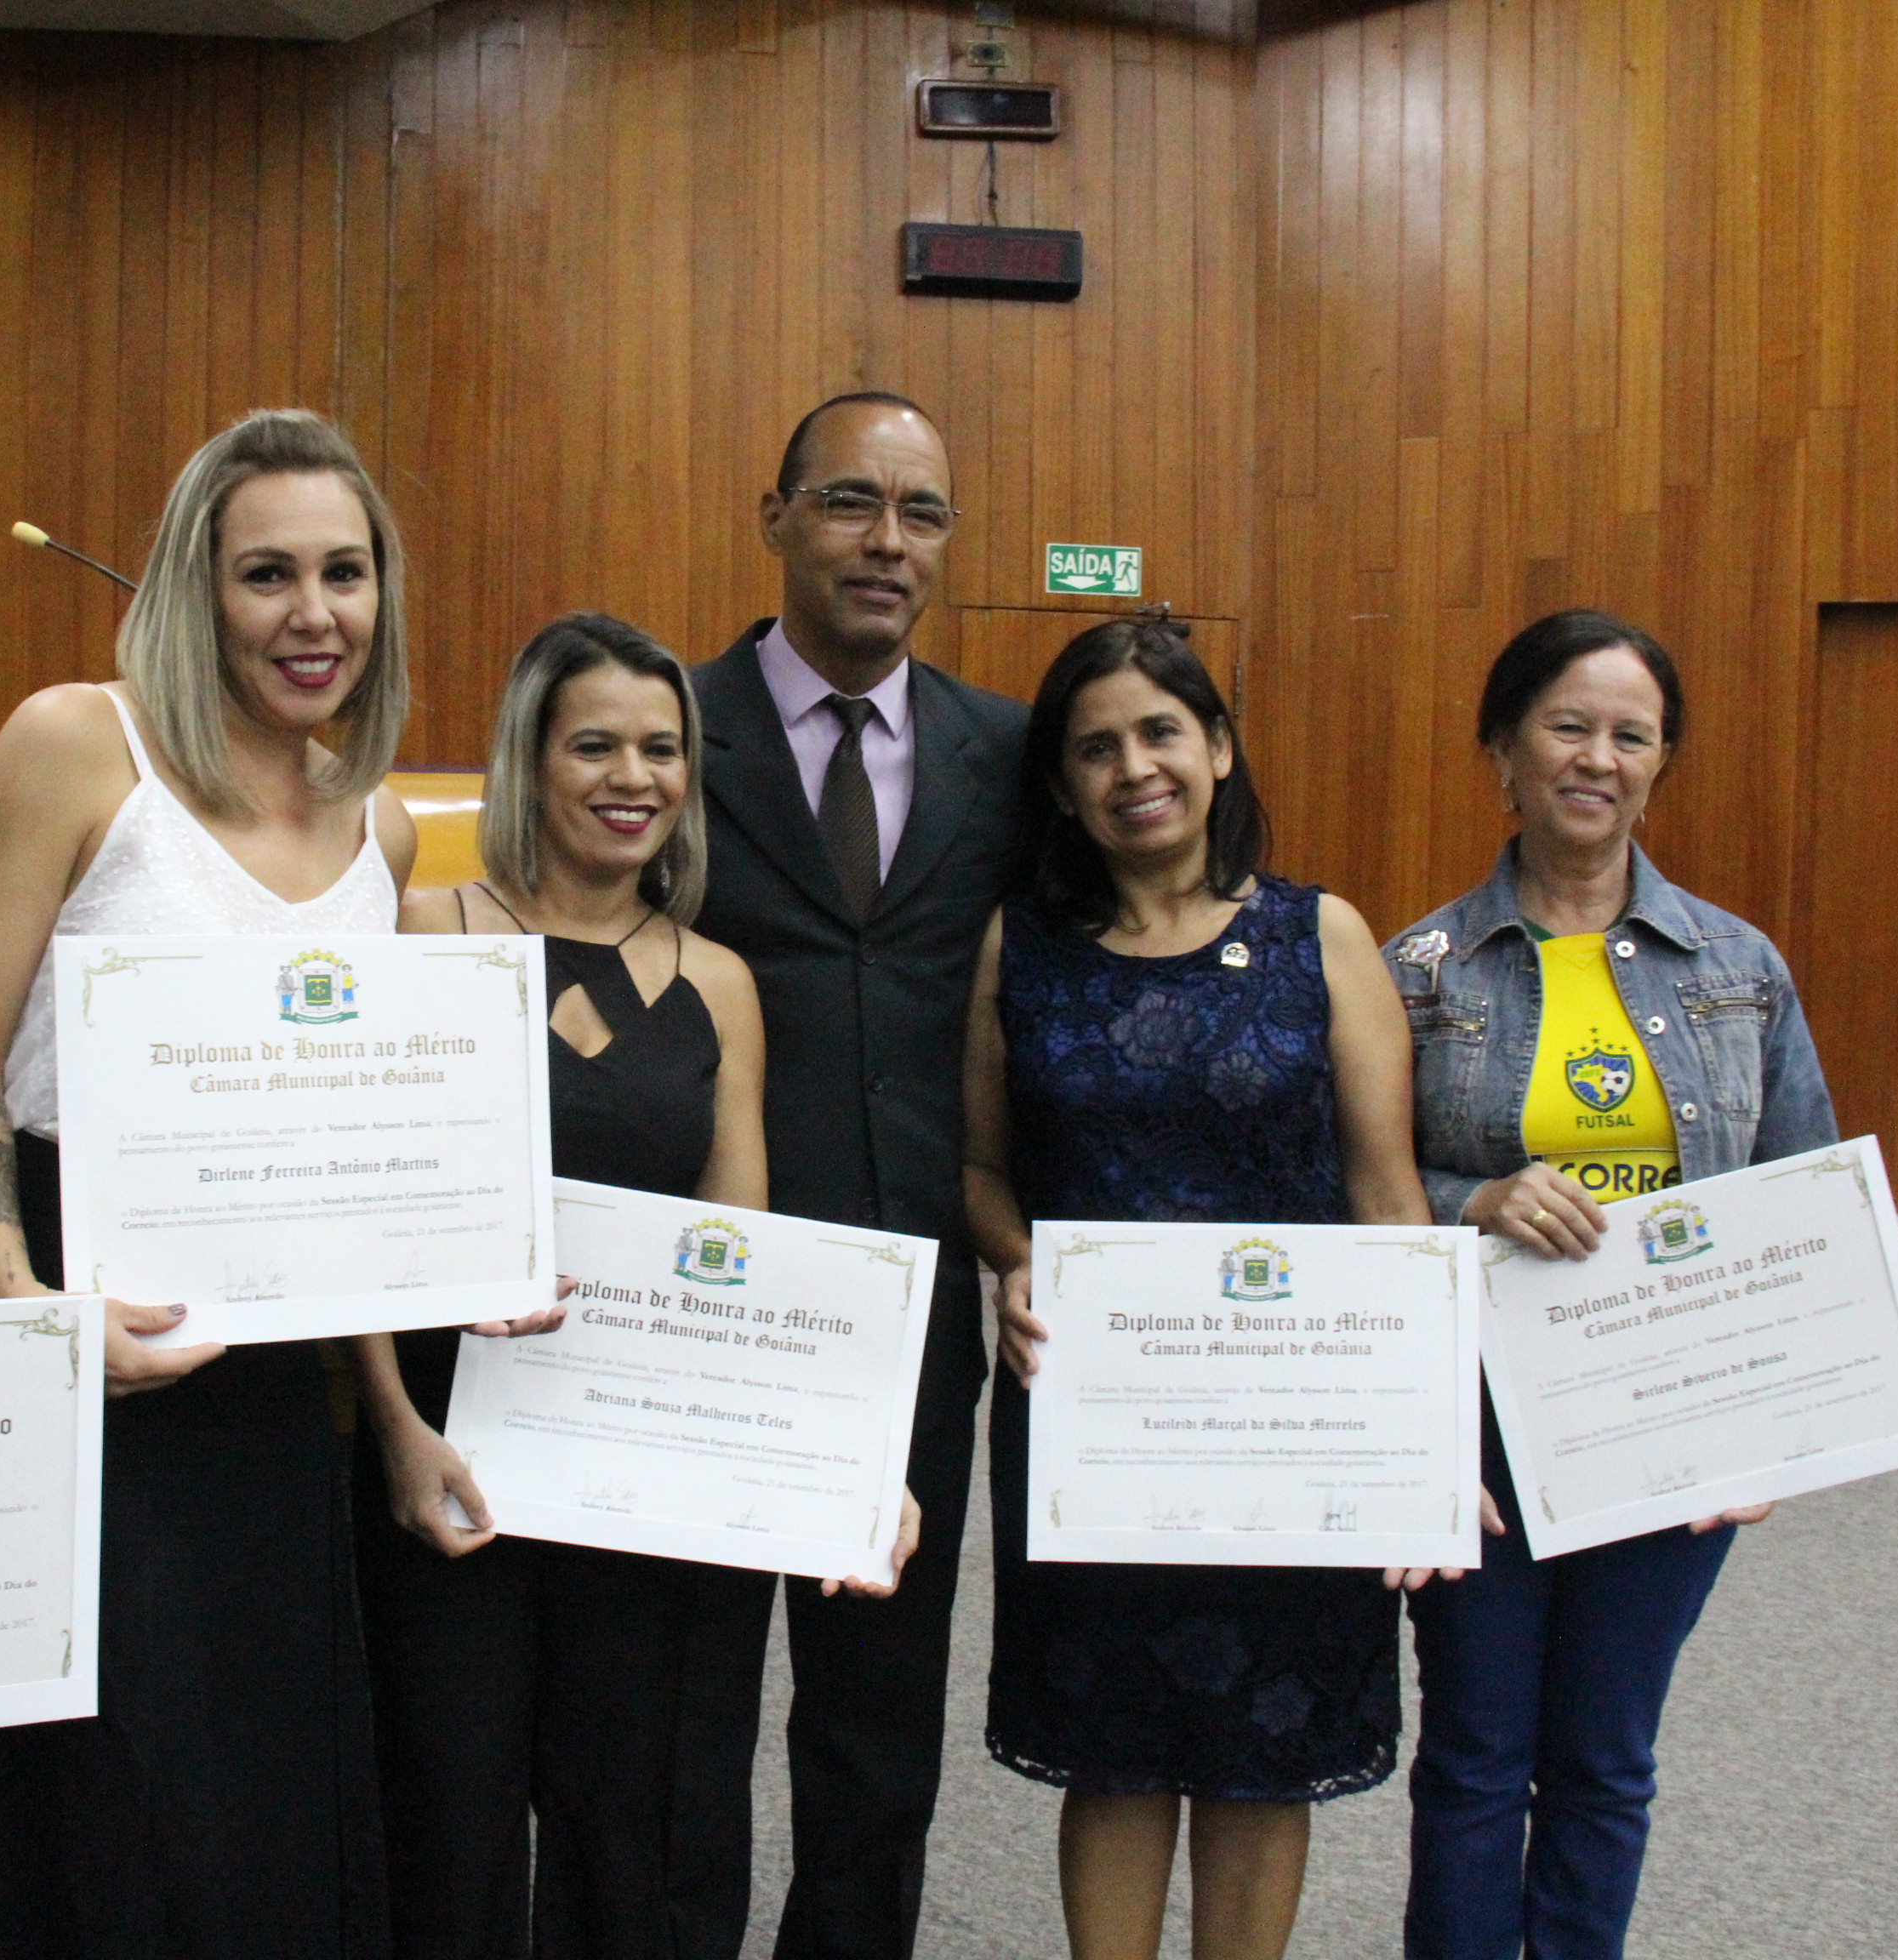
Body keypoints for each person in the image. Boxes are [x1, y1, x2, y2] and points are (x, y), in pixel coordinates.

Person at [0, 408, 418, 1960]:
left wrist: (398, 1400)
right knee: (81, 1797)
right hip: (64, 1310)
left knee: (248, 1792)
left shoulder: (380, 823)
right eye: (267, 574)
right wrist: (32, 1317)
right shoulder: (77, 744)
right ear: (196, 585)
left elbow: (350, 1169)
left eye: (344, 573)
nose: (312, 615)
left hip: (267, 1376)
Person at [960, 615, 1441, 1960]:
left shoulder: (1320, 935)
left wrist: (1421, 1431)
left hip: (1294, 1418)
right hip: (1094, 1414)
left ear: (1219, 748)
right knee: (1112, 1750)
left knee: (1263, 1753)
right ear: (1063, 787)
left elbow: (1387, 1194)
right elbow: (980, 1169)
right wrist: (1015, 1259)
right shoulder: (1017, 947)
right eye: (1095, 748)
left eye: (1161, 732)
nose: (1135, 769)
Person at [1389, 608, 1836, 1960]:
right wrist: (1474, 1199)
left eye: (1630, 736)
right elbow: (1353, 1194)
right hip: (1478, 1419)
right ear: (1503, 750)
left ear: (1660, 765)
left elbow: (1801, 1199)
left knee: (1604, 1754)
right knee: (1476, 1750)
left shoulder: (1740, 971)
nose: (1598, 758)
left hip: (1670, 1415)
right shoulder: (1419, 973)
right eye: (1567, 727)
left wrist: (1776, 1427)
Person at [350, 611, 786, 1957]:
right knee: (447, 1814)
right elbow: (354, 1215)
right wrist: (393, 1428)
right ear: (529, 760)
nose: (632, 778)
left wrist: (821, 1461)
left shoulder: (719, 983)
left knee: (624, 1827)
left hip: (633, 1475)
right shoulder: (421, 932)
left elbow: (738, 1263)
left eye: (662, 748)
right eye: (595, 745)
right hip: (450, 1458)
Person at [685, 391, 1026, 1960]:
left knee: (877, 1724)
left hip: (910, 1310)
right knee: (676, 1712)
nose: (889, 542)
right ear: (774, 519)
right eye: (849, 502)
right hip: (698, 1302)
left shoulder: (1002, 753)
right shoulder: (664, 730)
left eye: (923, 512)